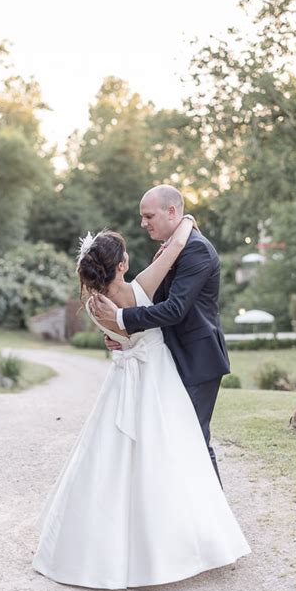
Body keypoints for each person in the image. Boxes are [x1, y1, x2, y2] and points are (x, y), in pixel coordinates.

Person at [32, 217, 250, 590]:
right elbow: (176, 249)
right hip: (158, 378)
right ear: (121, 265)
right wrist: (188, 221)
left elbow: (123, 331)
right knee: (175, 455)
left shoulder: (95, 304)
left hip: (122, 382)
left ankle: (97, 549)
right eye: (126, 254)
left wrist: (117, 333)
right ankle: (180, 542)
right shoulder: (138, 289)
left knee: (111, 461)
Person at [91, 184, 230, 484]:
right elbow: (150, 301)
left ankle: (215, 513)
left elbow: (174, 309)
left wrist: (121, 319)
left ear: (171, 212)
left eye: (148, 216)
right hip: (170, 356)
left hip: (196, 359)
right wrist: (123, 334)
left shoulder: (196, 250)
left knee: (193, 438)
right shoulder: (171, 247)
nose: (143, 223)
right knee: (172, 439)